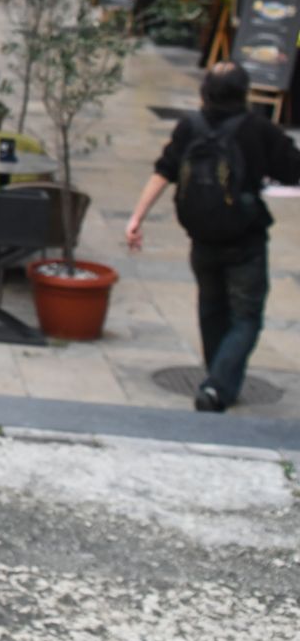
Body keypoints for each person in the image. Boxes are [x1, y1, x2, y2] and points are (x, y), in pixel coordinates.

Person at [126, 63, 300, 412]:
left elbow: (164, 171)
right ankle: (218, 385)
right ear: (244, 92)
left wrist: (136, 218)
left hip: (202, 239)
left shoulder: (189, 127)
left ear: (205, 92)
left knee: (211, 309)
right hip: (245, 240)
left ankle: (218, 382)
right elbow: (292, 169)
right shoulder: (259, 130)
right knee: (247, 317)